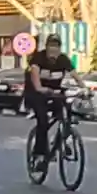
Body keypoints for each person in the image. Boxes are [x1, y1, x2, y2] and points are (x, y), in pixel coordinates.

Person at [25, 36, 74, 171]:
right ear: (46, 47)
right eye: (51, 46)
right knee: (43, 121)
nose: (53, 49)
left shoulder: (63, 59)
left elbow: (74, 74)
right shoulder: (38, 58)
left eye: (56, 46)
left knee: (67, 111)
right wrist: (40, 88)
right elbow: (34, 74)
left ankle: (64, 139)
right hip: (36, 93)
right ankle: (40, 153)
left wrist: (85, 88)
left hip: (54, 93)